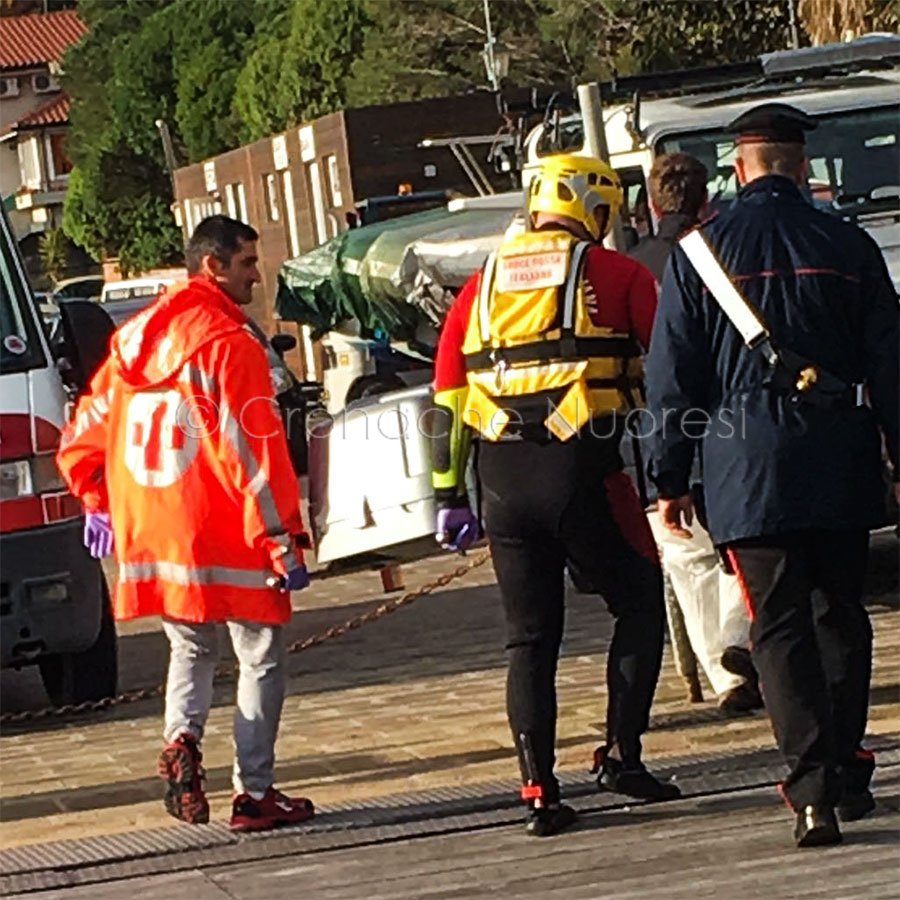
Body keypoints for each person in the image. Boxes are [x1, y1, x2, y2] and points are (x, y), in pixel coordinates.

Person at [645, 103, 899, 848]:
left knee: (777, 627)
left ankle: (811, 789)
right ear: (803, 168)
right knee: (842, 617)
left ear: (739, 168)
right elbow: (891, 362)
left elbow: (671, 381)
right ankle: (849, 768)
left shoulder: (698, 257)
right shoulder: (849, 246)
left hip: (745, 467)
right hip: (841, 455)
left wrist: (667, 477)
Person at [431, 153, 680, 838]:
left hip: (501, 484)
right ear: (594, 208)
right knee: (637, 601)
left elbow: (448, 395)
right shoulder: (619, 274)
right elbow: (666, 375)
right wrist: (674, 472)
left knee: (529, 640)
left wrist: (447, 492)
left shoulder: (478, 288)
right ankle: (622, 756)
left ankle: (538, 788)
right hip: (584, 471)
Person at [57, 215, 316, 833]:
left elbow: (85, 431)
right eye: (248, 264)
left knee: (191, 647)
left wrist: (97, 499)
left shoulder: (133, 338)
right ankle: (253, 793)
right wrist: (282, 538)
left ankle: (181, 739)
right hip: (225, 527)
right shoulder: (227, 341)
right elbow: (251, 450)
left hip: (155, 529)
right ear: (213, 266)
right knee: (260, 656)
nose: (257, 275)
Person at [633, 153, 760, 714]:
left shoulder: (629, 266)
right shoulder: (723, 253)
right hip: (729, 429)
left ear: (651, 205)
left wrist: (663, 471)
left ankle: (724, 675)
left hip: (656, 436)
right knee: (740, 555)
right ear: (707, 199)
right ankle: (738, 645)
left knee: (688, 566)